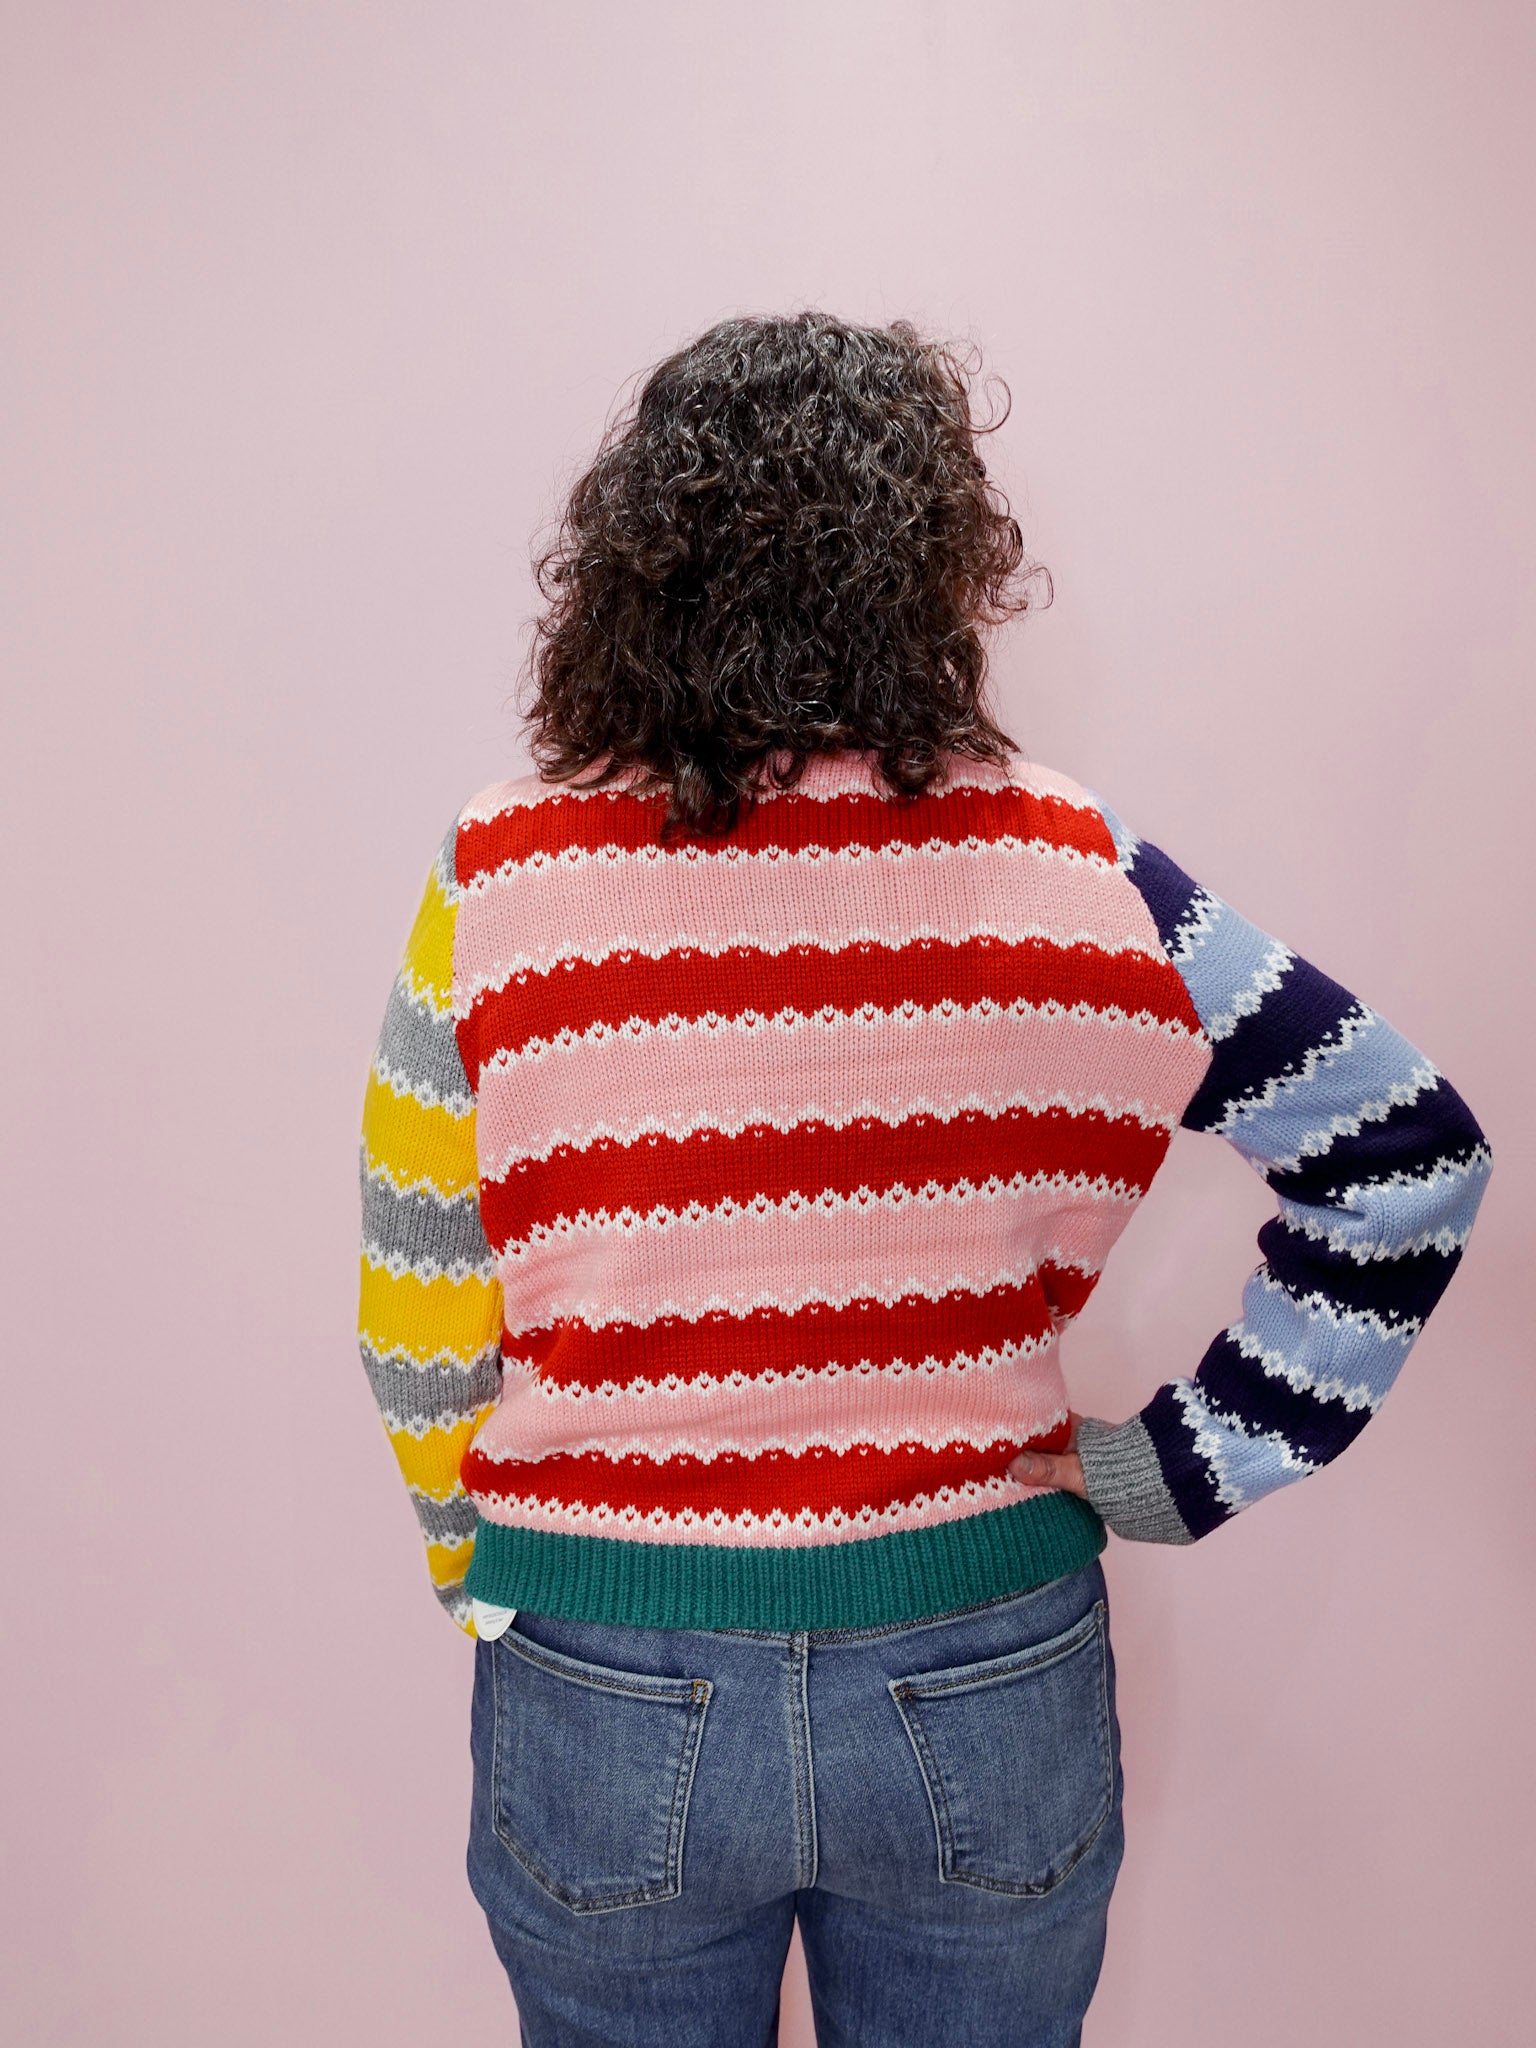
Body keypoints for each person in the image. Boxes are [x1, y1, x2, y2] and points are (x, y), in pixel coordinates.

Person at [355, 311, 1490, 2047]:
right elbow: (1402, 1148)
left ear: (629, 564)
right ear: (941, 564)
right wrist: (1178, 1466)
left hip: (604, 1662)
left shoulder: (500, 868)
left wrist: (477, 1565)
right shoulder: (1083, 868)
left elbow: (420, 1297)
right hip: (983, 1665)